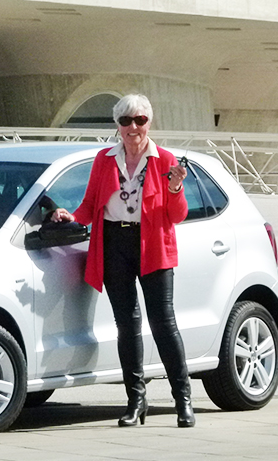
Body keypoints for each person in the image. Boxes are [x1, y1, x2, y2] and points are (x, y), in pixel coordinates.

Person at [51, 93, 195, 428]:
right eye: (126, 121)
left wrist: (175, 189)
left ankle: (183, 400)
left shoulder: (164, 160)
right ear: (117, 125)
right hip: (114, 242)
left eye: (140, 120)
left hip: (152, 244)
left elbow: (177, 215)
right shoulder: (104, 159)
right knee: (126, 325)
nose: (133, 127)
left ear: (149, 123)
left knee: (163, 324)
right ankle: (136, 401)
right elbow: (90, 205)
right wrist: (70, 216)